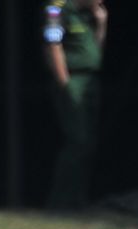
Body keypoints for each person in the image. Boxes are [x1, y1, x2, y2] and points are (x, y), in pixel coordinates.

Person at [43, 1, 108, 209]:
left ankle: (78, 200)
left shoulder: (89, 14)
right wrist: (65, 84)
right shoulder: (57, 8)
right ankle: (59, 201)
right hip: (74, 81)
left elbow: (95, 51)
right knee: (77, 141)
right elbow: (53, 44)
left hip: (91, 80)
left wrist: (101, 24)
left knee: (89, 143)